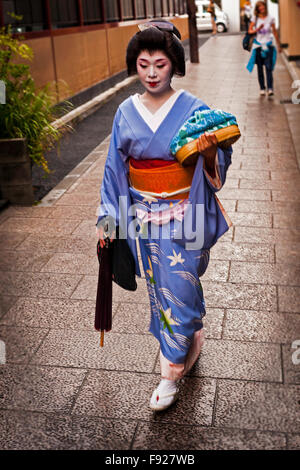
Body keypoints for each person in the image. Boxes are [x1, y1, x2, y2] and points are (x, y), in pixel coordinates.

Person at [96, 20, 232, 411]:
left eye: (160, 64)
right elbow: (114, 170)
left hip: (186, 213)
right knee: (164, 291)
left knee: (183, 284)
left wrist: (209, 154)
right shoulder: (125, 111)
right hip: (143, 216)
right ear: (134, 66)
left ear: (174, 64)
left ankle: (169, 375)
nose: (152, 73)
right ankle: (187, 340)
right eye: (143, 64)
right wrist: (109, 223)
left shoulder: (194, 109)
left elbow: (221, 157)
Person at [247, 1, 282, 96]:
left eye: (263, 7)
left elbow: (274, 32)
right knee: (259, 68)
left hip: (268, 45)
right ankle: (262, 88)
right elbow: (250, 31)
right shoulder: (255, 18)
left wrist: (279, 45)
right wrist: (257, 29)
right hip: (258, 46)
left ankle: (270, 88)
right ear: (257, 9)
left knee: (268, 67)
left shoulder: (271, 18)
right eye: (260, 8)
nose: (262, 9)